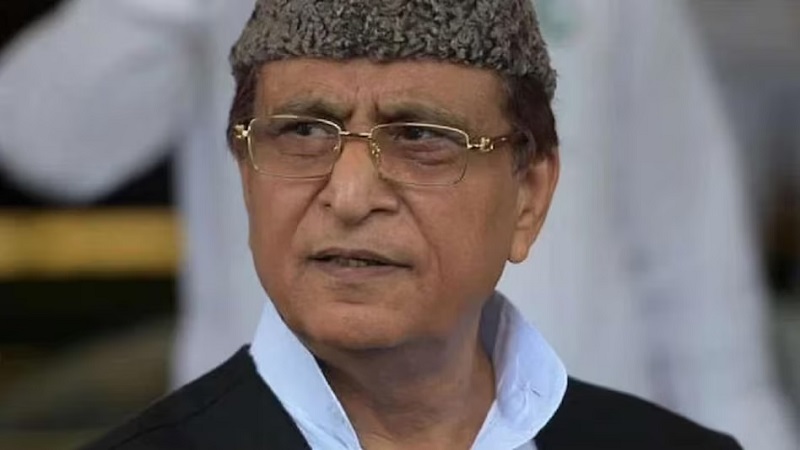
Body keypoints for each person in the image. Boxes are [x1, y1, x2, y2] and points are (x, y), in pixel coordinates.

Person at [0, 1, 794, 448]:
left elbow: (705, 306)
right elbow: (43, 142)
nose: (353, 194)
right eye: (304, 130)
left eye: (422, 137)